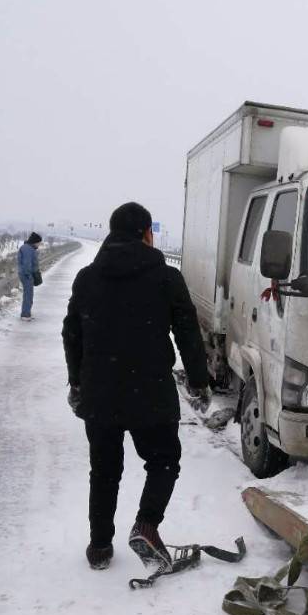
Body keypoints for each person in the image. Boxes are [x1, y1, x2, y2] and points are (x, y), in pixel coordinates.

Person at [62, 202, 211, 571]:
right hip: (151, 391)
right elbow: (188, 332)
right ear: (146, 233)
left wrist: (77, 381)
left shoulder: (87, 278)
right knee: (163, 461)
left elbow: (71, 334)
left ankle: (99, 547)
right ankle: (147, 525)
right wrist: (198, 380)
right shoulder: (166, 277)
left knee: (105, 469)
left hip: (100, 392)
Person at [17, 231, 42, 320]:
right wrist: (29, 275)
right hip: (26, 275)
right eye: (39, 243)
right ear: (34, 241)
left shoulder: (28, 248)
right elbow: (27, 263)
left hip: (26, 274)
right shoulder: (28, 249)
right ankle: (25, 314)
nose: (39, 245)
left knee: (29, 294)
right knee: (28, 294)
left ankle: (27, 313)